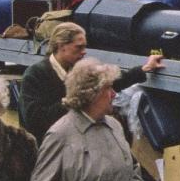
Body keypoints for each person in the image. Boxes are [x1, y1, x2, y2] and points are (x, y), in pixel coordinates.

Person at [20, 21, 164, 144]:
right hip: (49, 147)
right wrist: (75, 101)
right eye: (79, 47)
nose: (84, 52)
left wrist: (144, 69)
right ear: (61, 46)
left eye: (85, 47)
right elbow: (34, 120)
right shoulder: (35, 75)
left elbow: (109, 83)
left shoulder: (79, 70)